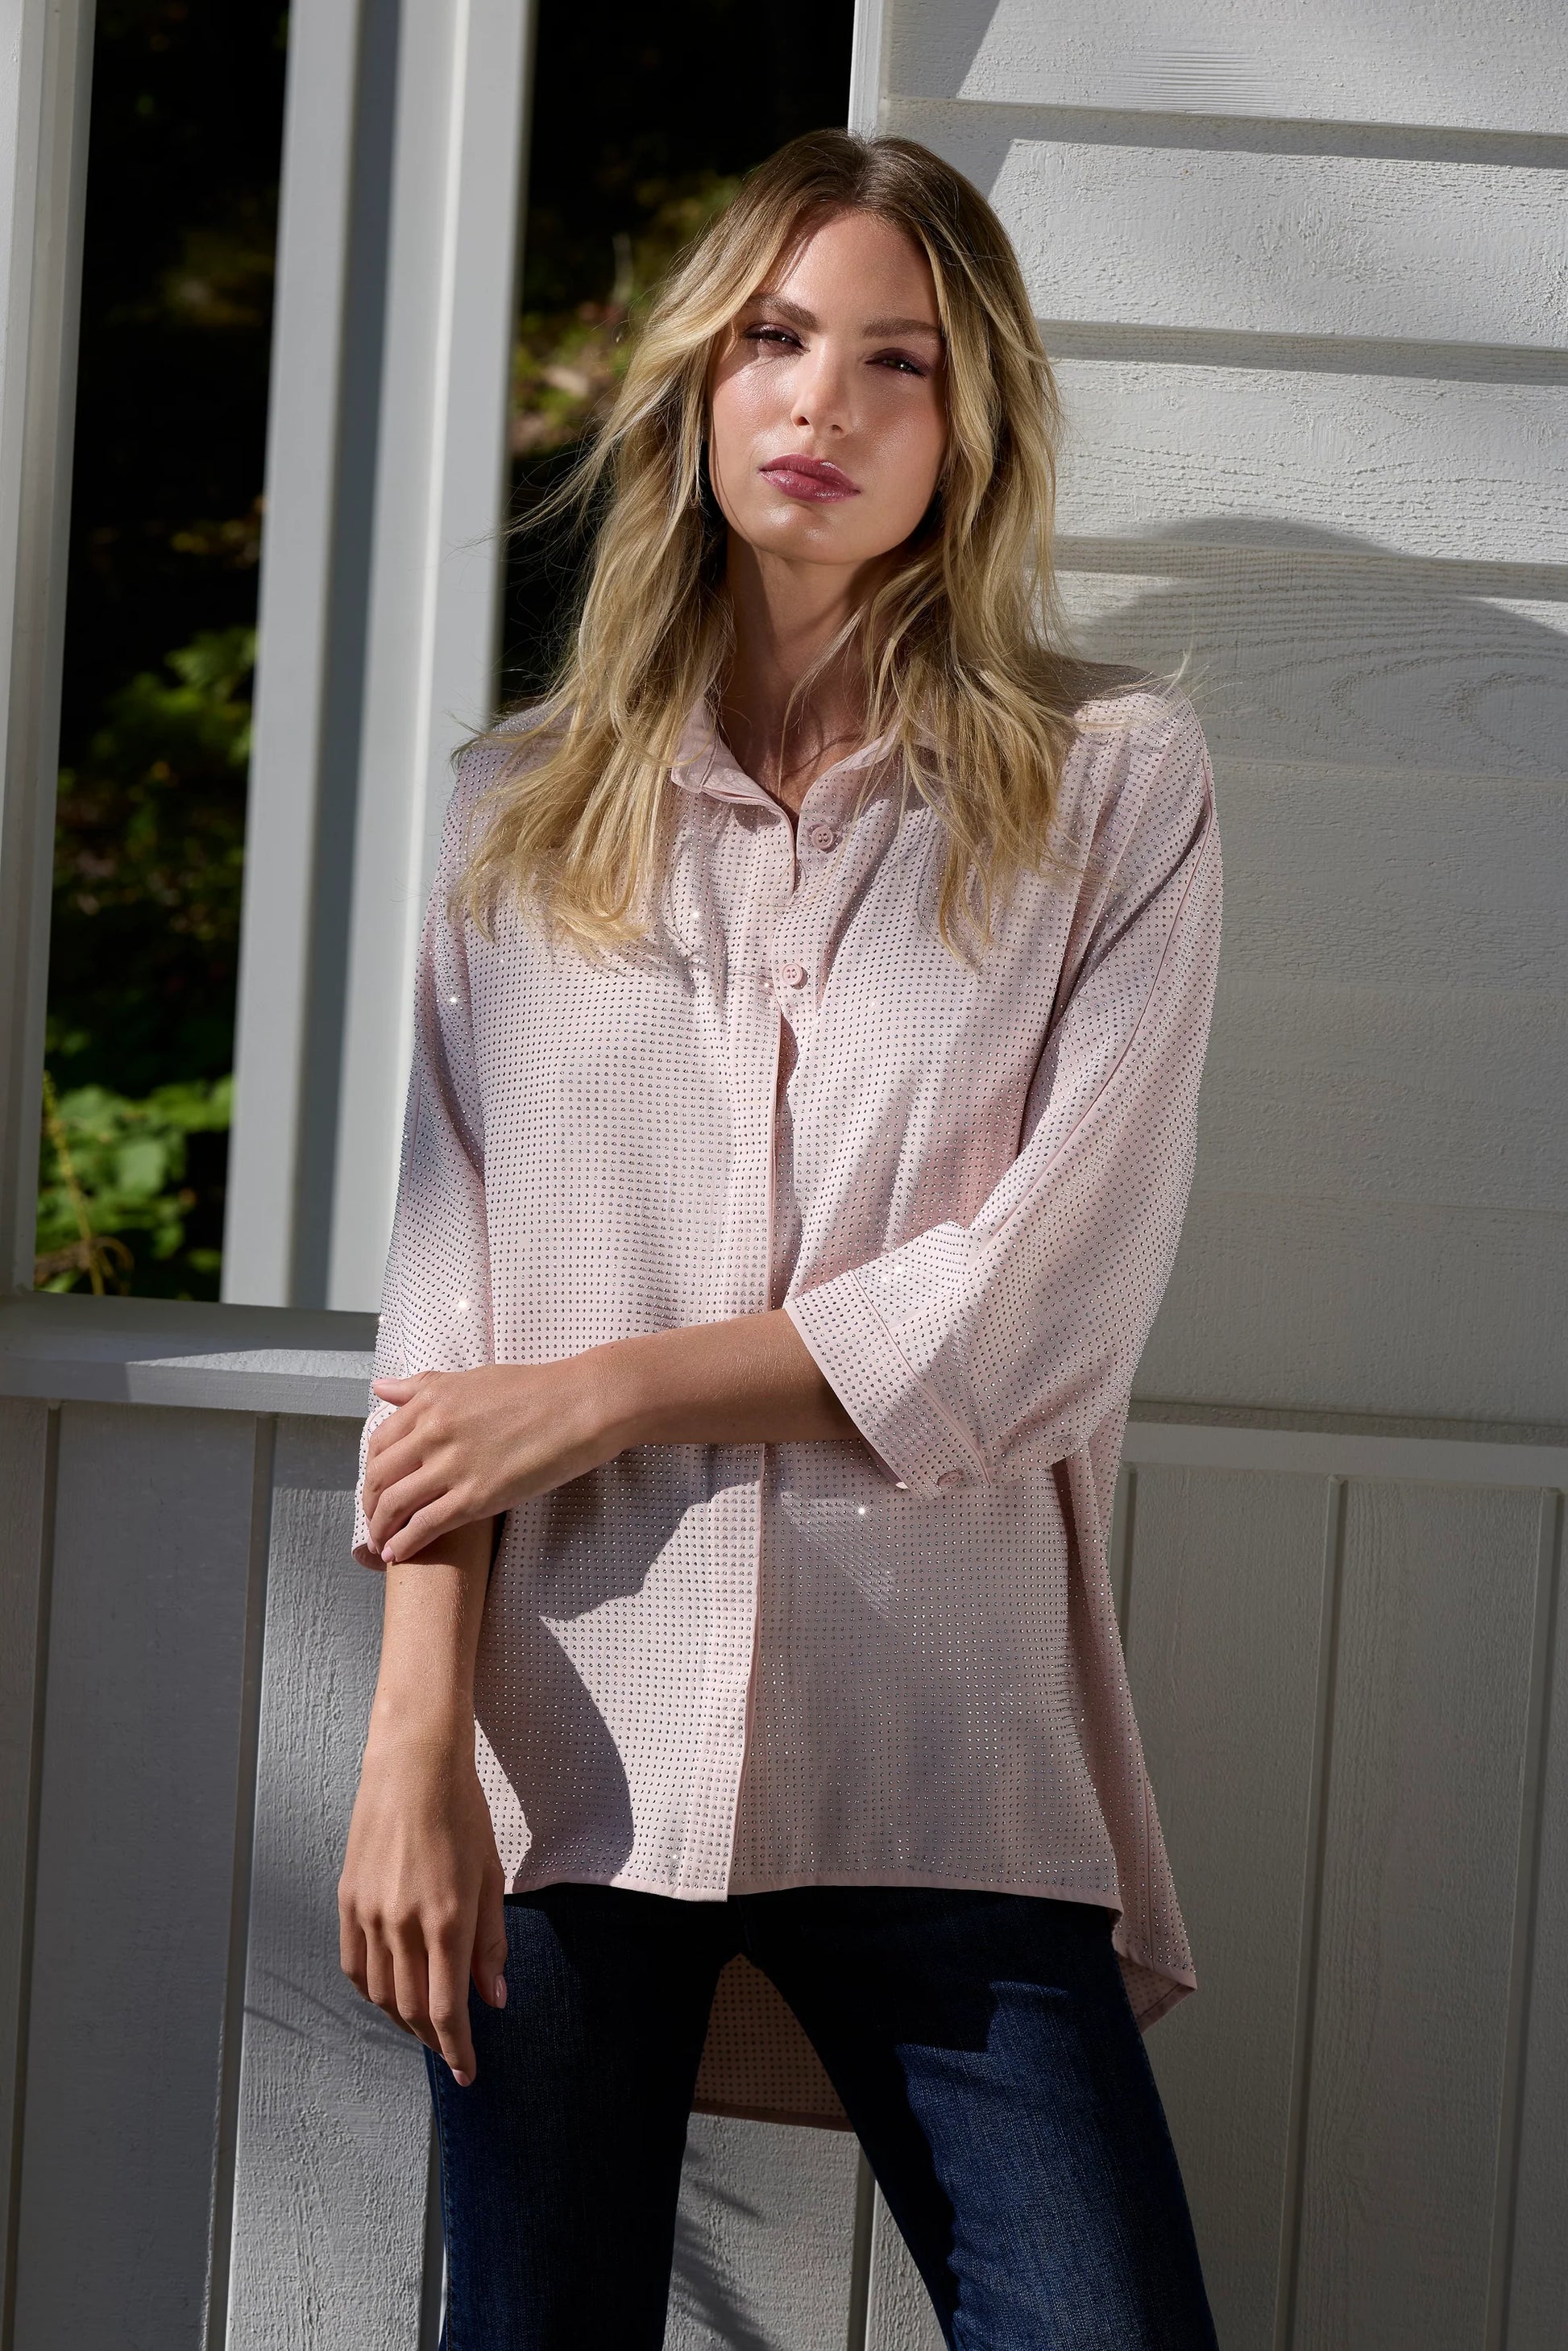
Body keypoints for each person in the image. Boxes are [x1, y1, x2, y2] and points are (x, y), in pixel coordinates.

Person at [339, 129, 1222, 2349]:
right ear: (699, 387)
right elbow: (443, 1323)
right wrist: (413, 1746)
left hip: (937, 1736)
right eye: (774, 339)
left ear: (970, 424)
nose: (821, 401)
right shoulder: (514, 809)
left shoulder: (1111, 786)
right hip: (569, 1742)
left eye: (894, 361)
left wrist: (604, 1392)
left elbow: (1037, 1305)